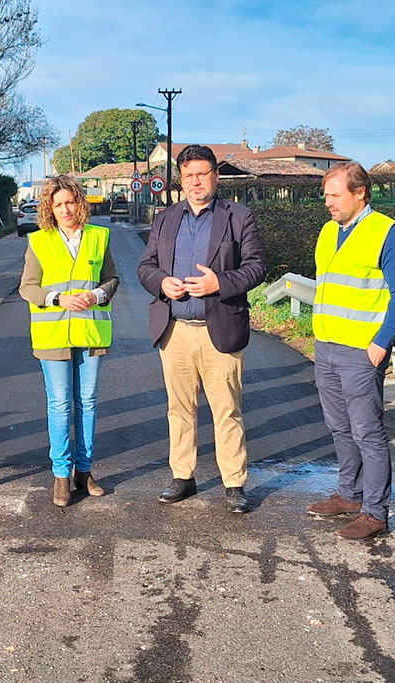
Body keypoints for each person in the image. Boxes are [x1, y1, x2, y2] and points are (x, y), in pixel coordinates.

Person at [137, 145, 266, 513]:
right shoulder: (165, 218)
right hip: (174, 328)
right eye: (189, 175)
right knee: (179, 409)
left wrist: (219, 284)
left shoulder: (238, 217)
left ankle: (234, 483)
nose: (196, 181)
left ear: (216, 176)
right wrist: (162, 282)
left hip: (220, 328)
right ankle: (183, 476)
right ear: (181, 179)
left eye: (202, 174)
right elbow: (146, 266)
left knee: (227, 409)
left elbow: (256, 266)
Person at [306, 161, 395, 540]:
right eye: (325, 195)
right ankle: (350, 495)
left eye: (334, 195)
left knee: (367, 432)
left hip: (361, 352)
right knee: (339, 428)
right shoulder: (327, 231)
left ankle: (375, 512)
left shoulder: (387, 232)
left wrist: (380, 343)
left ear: (359, 193)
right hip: (327, 346)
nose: (328, 203)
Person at [19, 176, 119, 507]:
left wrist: (97, 294)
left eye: (70, 202)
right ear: (50, 207)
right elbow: (27, 287)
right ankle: (61, 474)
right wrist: (57, 299)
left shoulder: (98, 237)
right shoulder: (39, 241)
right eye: (58, 204)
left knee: (87, 402)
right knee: (60, 404)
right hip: (53, 334)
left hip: (90, 332)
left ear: (80, 203)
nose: (65, 209)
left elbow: (112, 279)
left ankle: (84, 471)